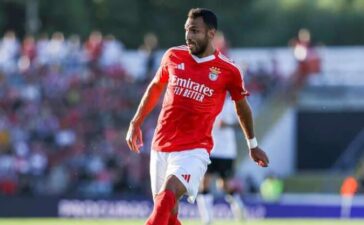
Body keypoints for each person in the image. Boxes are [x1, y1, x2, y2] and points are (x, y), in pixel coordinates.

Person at [125, 8, 269, 225]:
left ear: (211, 33)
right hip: (161, 145)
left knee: (168, 195)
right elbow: (155, 87)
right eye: (187, 30)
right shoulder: (173, 56)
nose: (189, 35)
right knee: (169, 214)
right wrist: (136, 122)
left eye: (195, 30)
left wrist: (252, 144)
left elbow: (242, 107)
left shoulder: (228, 70)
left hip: (194, 150)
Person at [196, 97, 246, 224]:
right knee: (204, 182)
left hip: (227, 151)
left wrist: (227, 124)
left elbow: (243, 122)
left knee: (224, 185)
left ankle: (238, 207)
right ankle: (207, 219)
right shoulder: (207, 99)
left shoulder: (232, 103)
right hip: (210, 149)